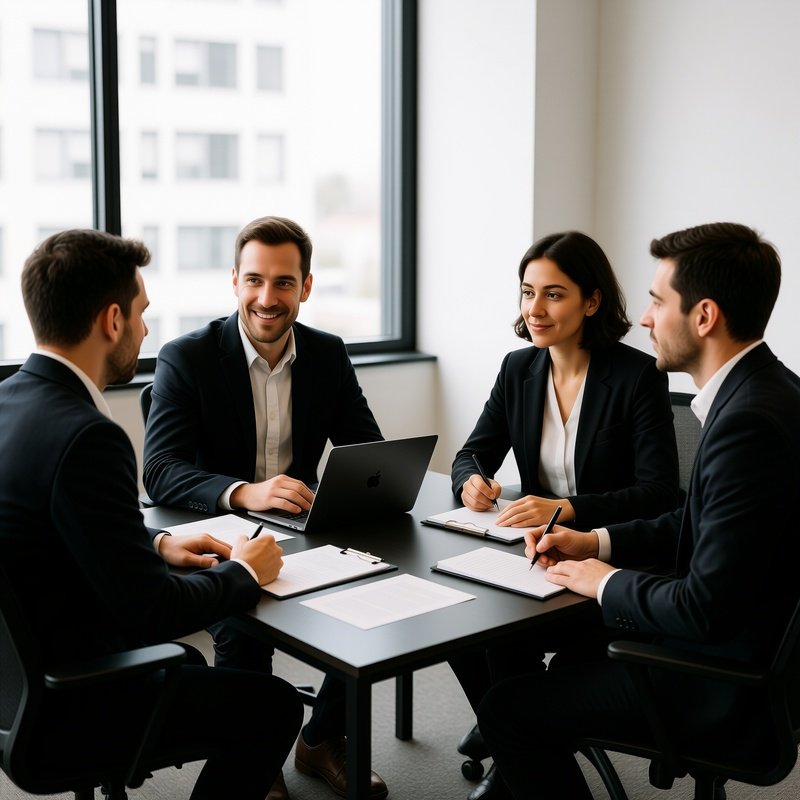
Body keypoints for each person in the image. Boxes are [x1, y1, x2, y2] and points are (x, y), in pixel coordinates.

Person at [477, 222, 800, 799]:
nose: (646, 318)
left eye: (657, 301)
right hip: (750, 643)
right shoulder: (772, 391)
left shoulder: (745, 423)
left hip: (718, 677)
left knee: (507, 709)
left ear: (703, 317)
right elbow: (703, 522)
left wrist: (607, 581)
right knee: (521, 661)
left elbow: (703, 609)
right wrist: (593, 542)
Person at [0, 229, 304, 800]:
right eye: (141, 314)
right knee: (274, 706)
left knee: (192, 664)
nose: (145, 329)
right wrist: (243, 573)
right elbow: (152, 613)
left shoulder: (9, 402)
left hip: (13, 687)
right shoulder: (88, 436)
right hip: (68, 706)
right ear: (111, 320)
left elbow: (48, 528)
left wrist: (157, 544)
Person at [142, 215, 387, 800]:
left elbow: (366, 447)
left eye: (283, 283)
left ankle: (321, 737)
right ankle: (254, 748)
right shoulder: (188, 357)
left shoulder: (327, 354)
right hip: (221, 536)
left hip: (304, 528)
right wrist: (243, 492)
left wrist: (360, 486)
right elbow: (159, 470)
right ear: (234, 282)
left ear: (305, 286)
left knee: (376, 606)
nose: (267, 298)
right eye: (254, 280)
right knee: (244, 636)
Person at [448, 231, 680, 800]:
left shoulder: (636, 377)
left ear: (591, 302)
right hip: (534, 555)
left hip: (605, 561)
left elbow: (657, 493)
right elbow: (470, 453)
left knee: (502, 641)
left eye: (553, 294)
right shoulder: (518, 369)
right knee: (458, 626)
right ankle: (516, 741)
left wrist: (570, 509)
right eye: (528, 293)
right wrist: (471, 484)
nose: (534, 309)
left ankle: (515, 748)